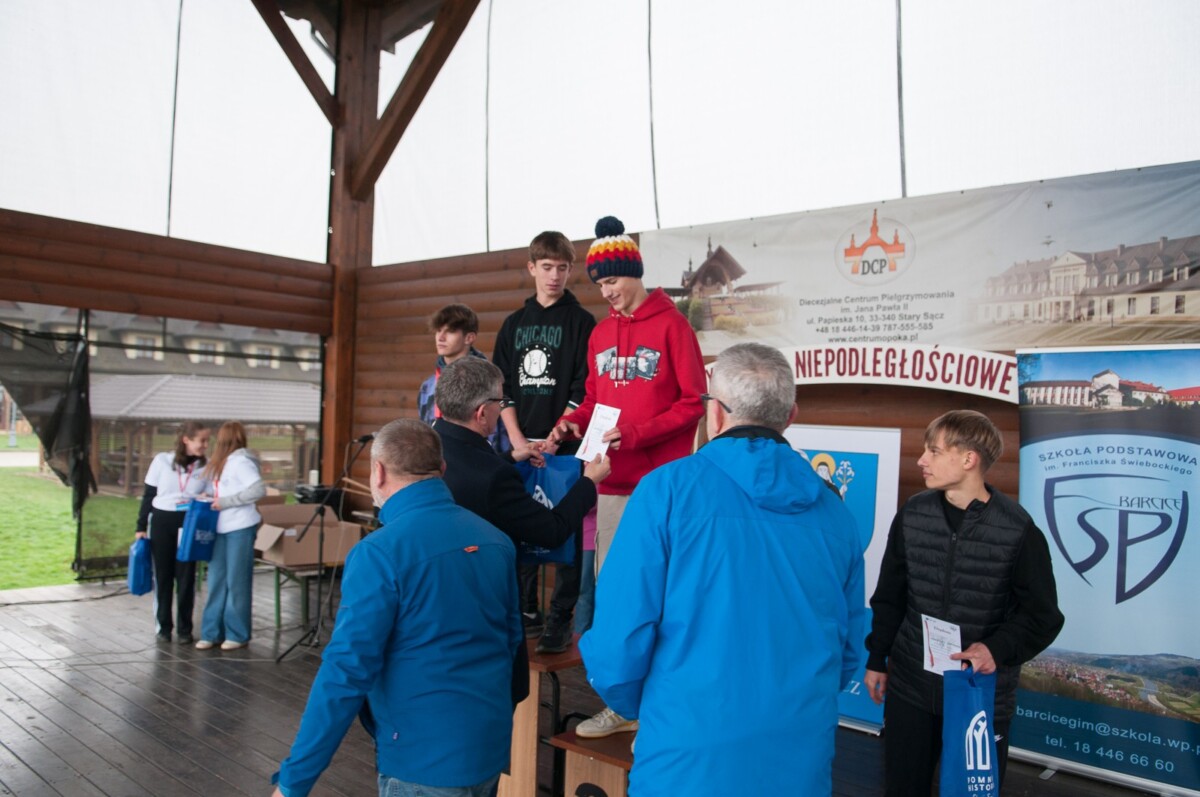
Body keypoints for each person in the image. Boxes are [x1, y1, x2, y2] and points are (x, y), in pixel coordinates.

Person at [579, 343, 865, 795]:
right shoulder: (835, 512)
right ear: (790, 416)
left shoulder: (666, 491)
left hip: (687, 753)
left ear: (713, 413)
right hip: (798, 755)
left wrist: (647, 707)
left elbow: (620, 635)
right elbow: (848, 647)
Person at [272, 420, 522, 797]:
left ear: (378, 471)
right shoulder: (496, 540)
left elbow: (345, 671)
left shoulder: (379, 553)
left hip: (422, 759)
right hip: (488, 744)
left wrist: (294, 781)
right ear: (441, 469)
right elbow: (511, 644)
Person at [550, 215, 706, 738]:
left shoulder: (673, 326)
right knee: (618, 599)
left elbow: (693, 403)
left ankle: (664, 711)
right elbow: (596, 400)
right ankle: (624, 706)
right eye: (599, 284)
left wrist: (636, 435)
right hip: (612, 486)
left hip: (662, 486)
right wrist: (573, 422)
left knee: (666, 599)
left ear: (635, 273)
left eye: (612, 280)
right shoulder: (600, 334)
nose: (607, 292)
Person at [864, 409, 1064, 795]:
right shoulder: (913, 515)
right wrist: (877, 658)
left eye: (934, 451)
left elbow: (1043, 616)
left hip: (979, 695)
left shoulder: (1018, 530)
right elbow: (890, 596)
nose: (922, 460)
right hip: (910, 688)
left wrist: (994, 649)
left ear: (969, 459)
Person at [433, 356, 610, 704]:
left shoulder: (429, 445)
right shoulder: (493, 477)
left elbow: (471, 471)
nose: (502, 410)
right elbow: (552, 530)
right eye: (500, 403)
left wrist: (510, 457)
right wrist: (588, 482)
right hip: (482, 621)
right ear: (481, 412)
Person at [492, 230, 597, 653]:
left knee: (567, 534)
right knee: (520, 530)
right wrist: (518, 439)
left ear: (571, 271)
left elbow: (583, 386)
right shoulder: (513, 325)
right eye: (547, 267)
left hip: (565, 445)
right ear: (532, 268)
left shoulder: (582, 323)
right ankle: (525, 613)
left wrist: (555, 436)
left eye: (563, 268)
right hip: (522, 446)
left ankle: (560, 620)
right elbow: (502, 387)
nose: (555, 276)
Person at [134, 420, 210, 644]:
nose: (205, 445)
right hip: (162, 521)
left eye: (207, 441)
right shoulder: (162, 461)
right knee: (163, 575)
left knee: (186, 577)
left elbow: (210, 495)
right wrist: (140, 526)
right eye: (202, 440)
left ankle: (185, 629)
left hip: (188, 523)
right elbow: (149, 495)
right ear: (186, 439)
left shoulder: (205, 466)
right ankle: (164, 626)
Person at [196, 420, 265, 651]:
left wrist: (226, 502)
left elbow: (258, 489)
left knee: (237, 581)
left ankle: (237, 633)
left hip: (240, 527)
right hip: (220, 528)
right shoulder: (220, 463)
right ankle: (211, 632)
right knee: (216, 579)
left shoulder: (241, 462)